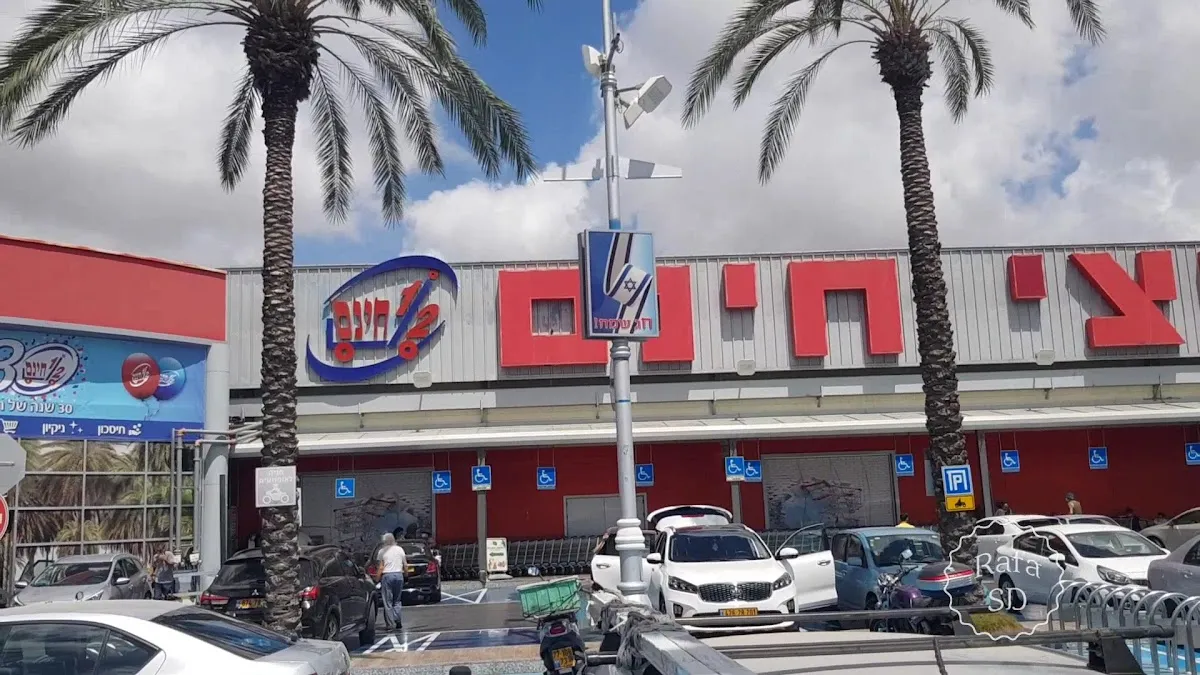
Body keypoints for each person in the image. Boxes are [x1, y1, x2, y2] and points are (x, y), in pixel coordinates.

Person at [376, 533, 407, 631]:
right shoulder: (400, 549)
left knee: (387, 601)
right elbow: (405, 565)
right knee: (397, 600)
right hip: (399, 575)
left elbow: (381, 567)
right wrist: (406, 575)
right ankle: (398, 620)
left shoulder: (382, 551)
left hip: (387, 576)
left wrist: (376, 579)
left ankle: (389, 624)